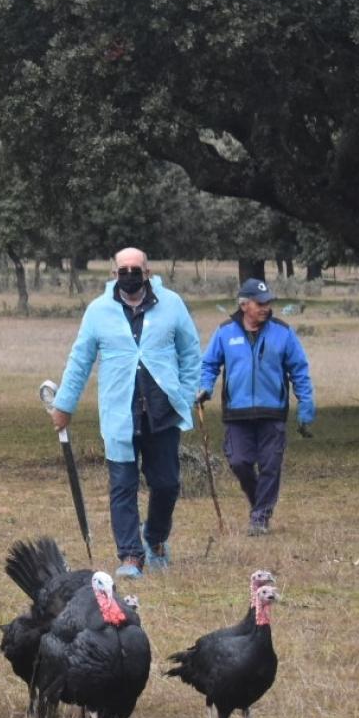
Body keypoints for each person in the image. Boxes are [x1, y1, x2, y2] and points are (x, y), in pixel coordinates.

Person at [51, 248, 202, 579]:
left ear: (147, 272)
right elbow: (80, 361)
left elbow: (191, 352)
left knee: (166, 484)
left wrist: (188, 393)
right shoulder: (98, 312)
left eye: (136, 269)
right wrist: (64, 405)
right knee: (123, 485)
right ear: (113, 273)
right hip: (120, 415)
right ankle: (131, 557)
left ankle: (155, 538)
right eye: (123, 270)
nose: (130, 275)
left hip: (162, 412)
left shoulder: (172, 304)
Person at [198, 278, 315, 535]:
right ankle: (259, 504)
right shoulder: (225, 332)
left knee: (270, 465)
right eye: (260, 303)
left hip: (272, 411)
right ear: (244, 304)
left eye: (268, 302)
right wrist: (205, 387)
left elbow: (299, 370)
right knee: (239, 462)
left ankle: (260, 517)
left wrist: (306, 406)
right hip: (237, 412)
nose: (265, 307)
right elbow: (209, 365)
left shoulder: (283, 332)